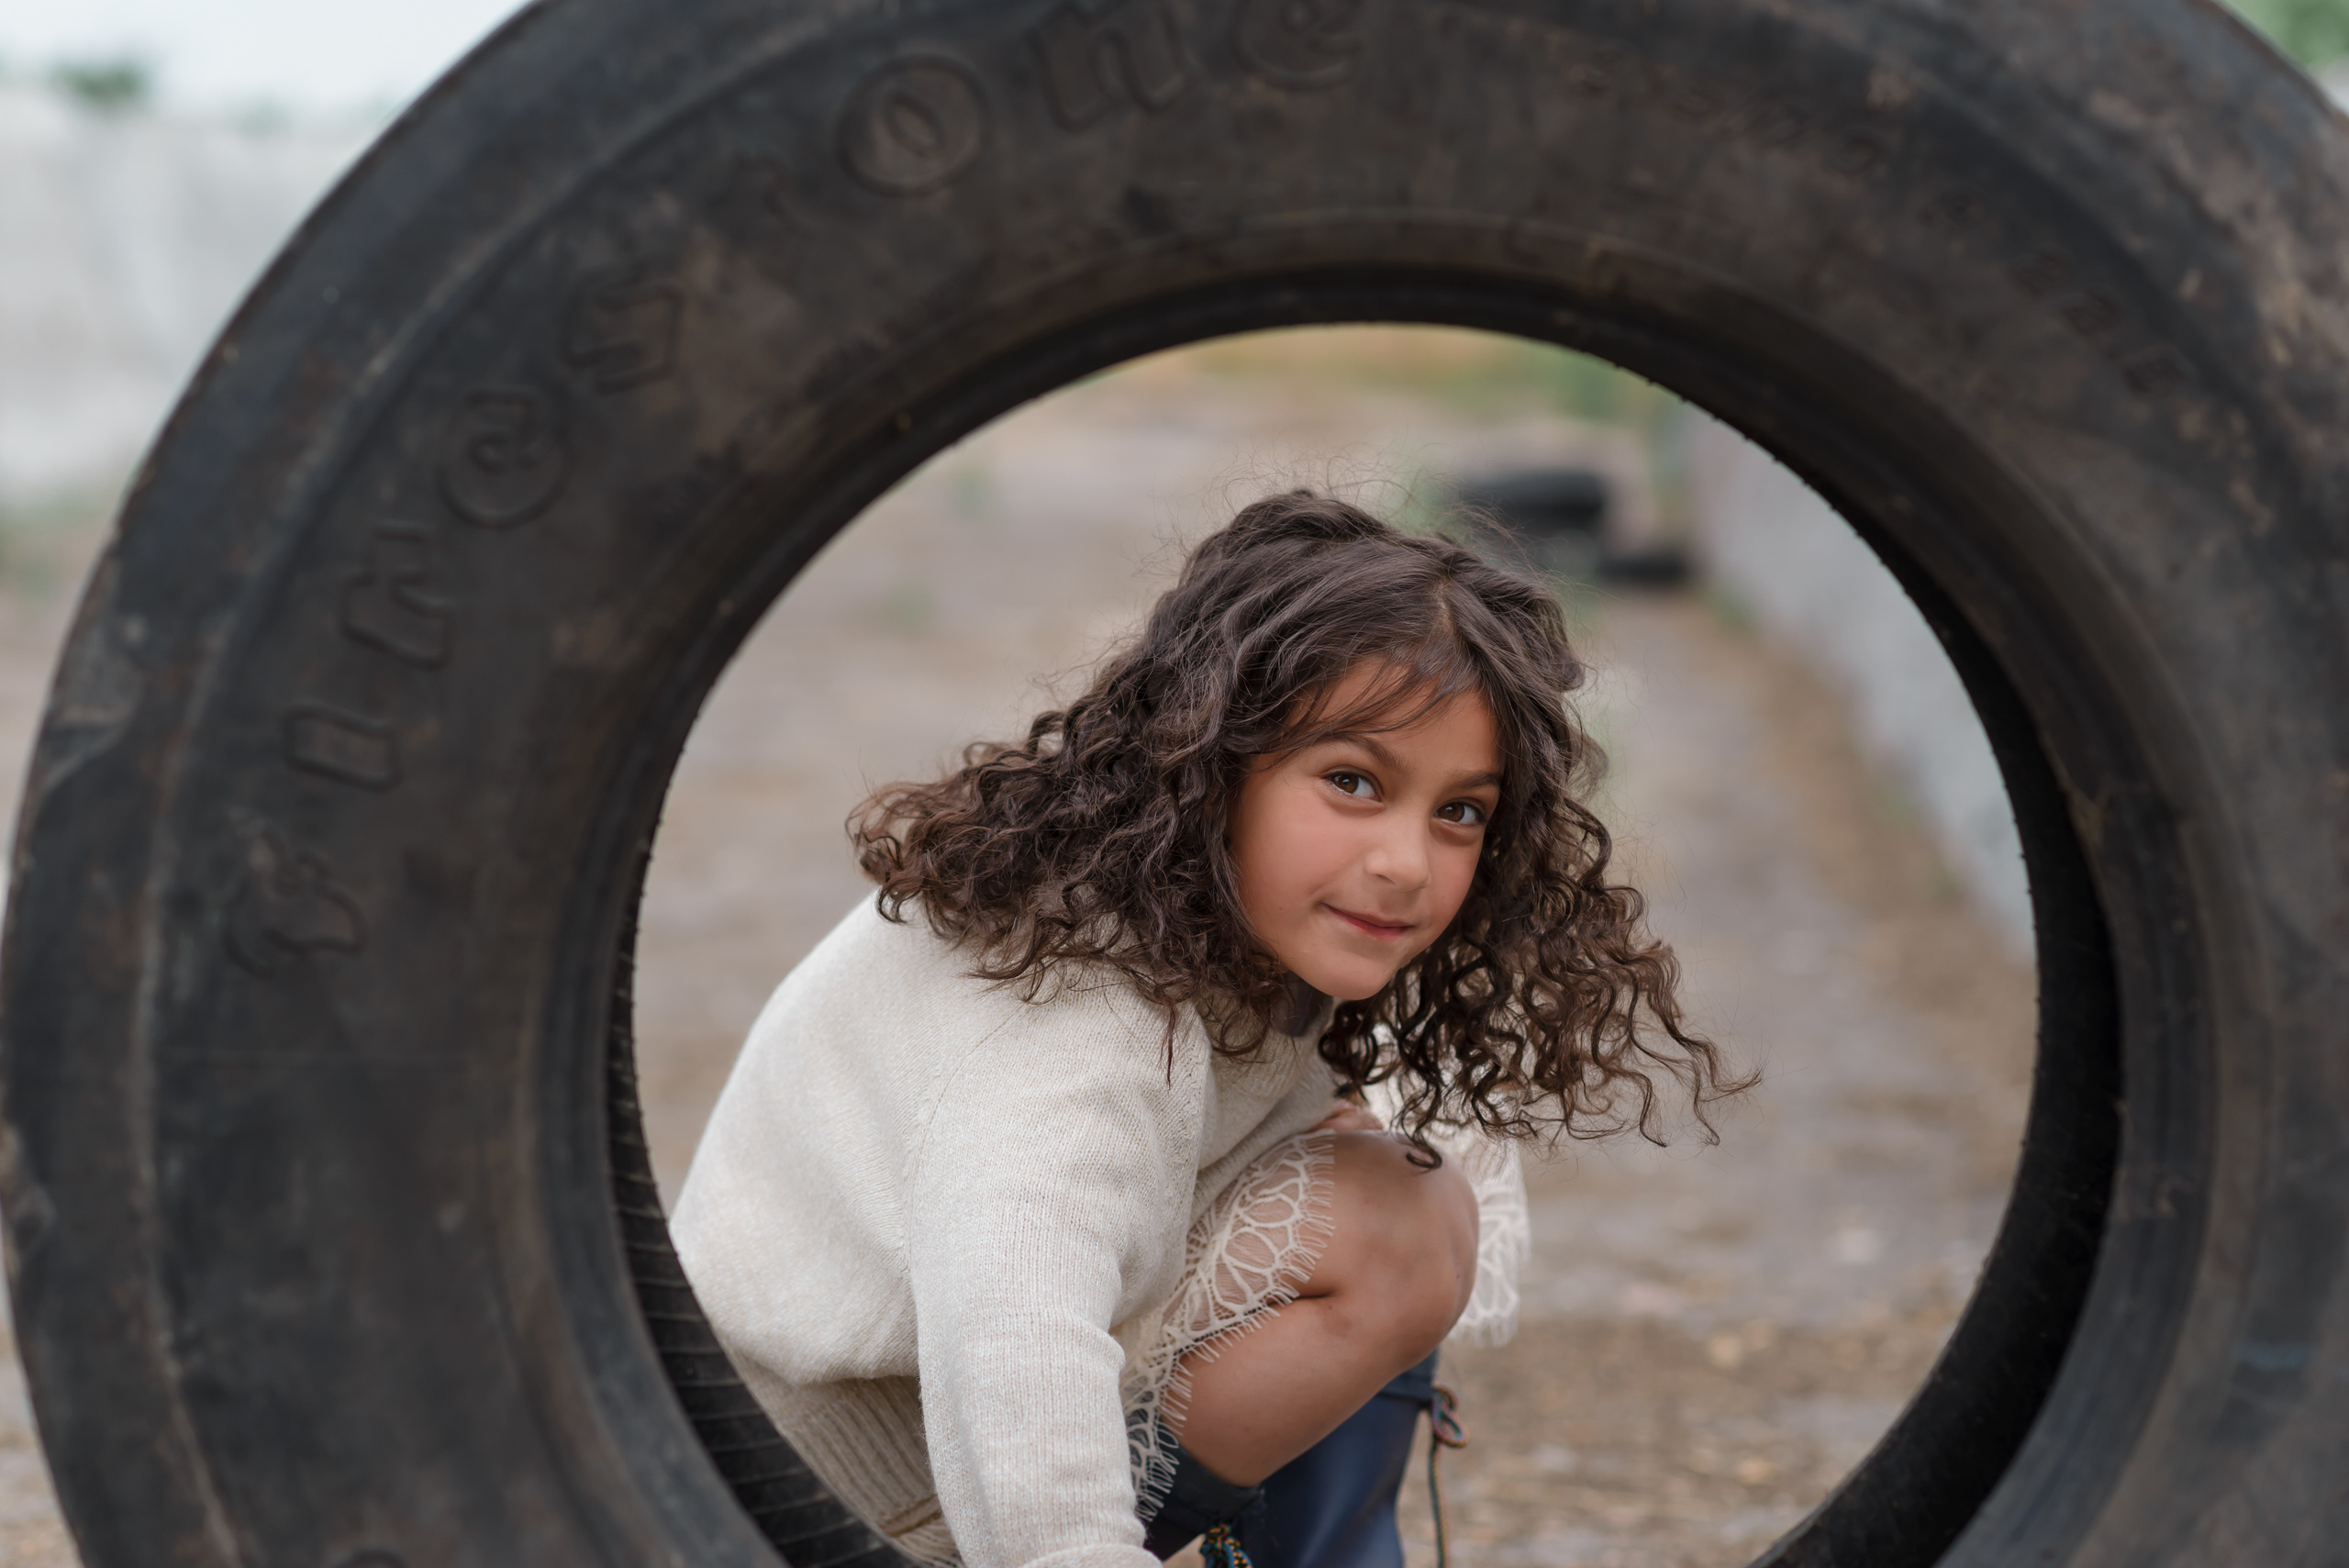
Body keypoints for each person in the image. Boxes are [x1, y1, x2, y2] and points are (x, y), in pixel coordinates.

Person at [672, 491, 1736, 1568]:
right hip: (803, 1493)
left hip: (896, 1422)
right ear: (1213, 759)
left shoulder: (1217, 919)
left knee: (1391, 1165)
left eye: (1458, 810)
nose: (1408, 862)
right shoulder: (1075, 1022)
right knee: (1386, 1231)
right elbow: (1014, 1339)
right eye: (1352, 781)